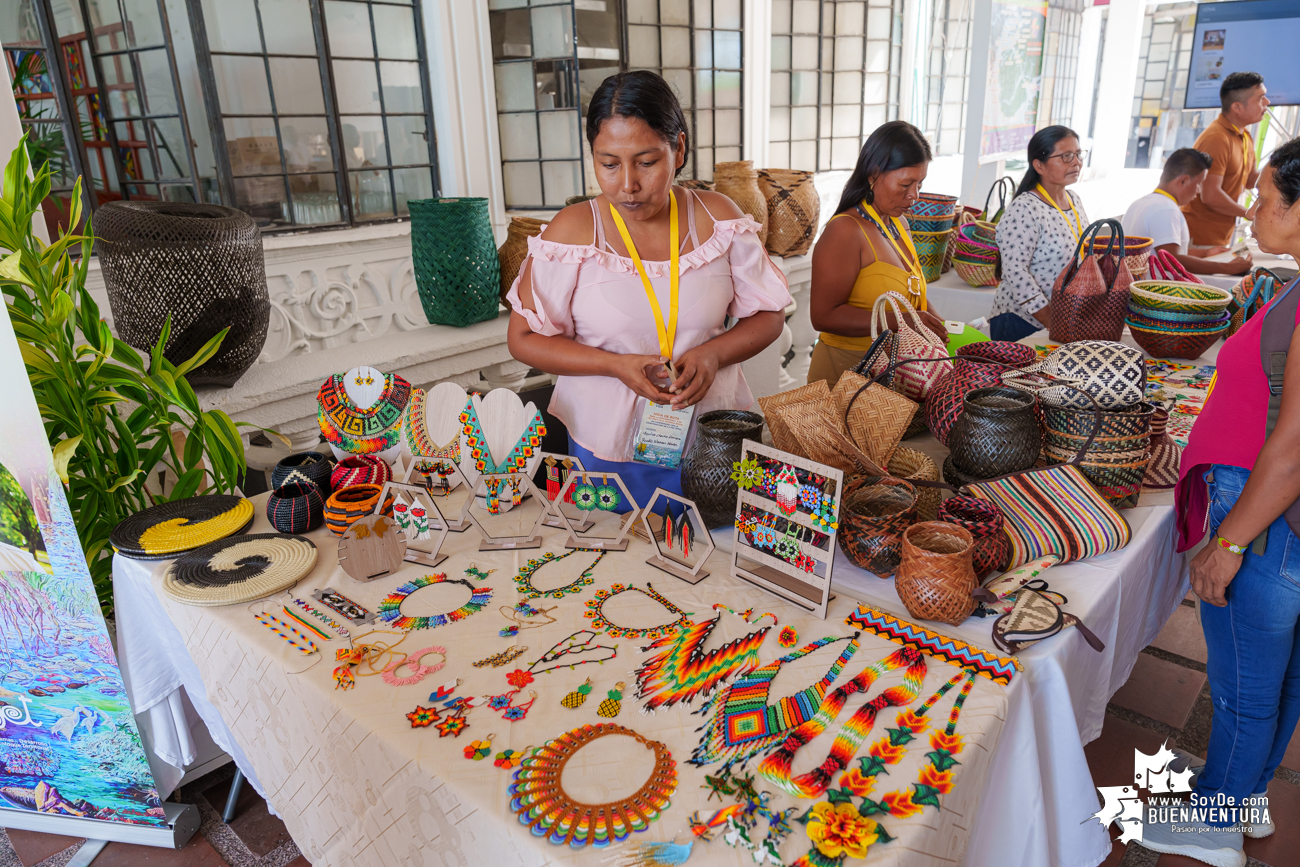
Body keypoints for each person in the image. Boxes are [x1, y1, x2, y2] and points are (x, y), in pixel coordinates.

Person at [505, 71, 790, 504]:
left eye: (646, 161)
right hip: (605, 446)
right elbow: (523, 339)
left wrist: (713, 354)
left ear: (678, 149)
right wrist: (614, 365)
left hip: (710, 444)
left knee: (710, 557)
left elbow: (769, 314)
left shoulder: (719, 218)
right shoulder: (573, 232)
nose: (628, 185)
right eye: (609, 163)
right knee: (612, 564)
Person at [1161, 136, 1300, 867]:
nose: (1253, 207)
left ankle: (1213, 826)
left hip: (1269, 516)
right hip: (1275, 514)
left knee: (1246, 684)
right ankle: (1237, 801)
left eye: (1269, 197)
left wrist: (1233, 540)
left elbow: (1295, 444)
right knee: (1281, 679)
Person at [807, 121, 945, 387]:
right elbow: (823, 316)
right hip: (845, 372)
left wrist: (935, 324)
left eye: (920, 184)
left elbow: (911, 292)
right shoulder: (845, 231)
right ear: (873, 173)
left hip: (892, 373)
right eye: (905, 184)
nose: (914, 195)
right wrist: (902, 322)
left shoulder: (899, 224)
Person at [989, 125, 1089, 342]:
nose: (1076, 162)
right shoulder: (1025, 207)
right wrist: (1049, 319)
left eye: (1078, 154)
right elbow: (1015, 272)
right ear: (1039, 166)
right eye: (1066, 156)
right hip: (1022, 320)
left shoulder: (1074, 200)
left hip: (1061, 319)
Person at [1123, 147, 1253, 276]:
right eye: (1198, 183)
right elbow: (1169, 260)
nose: (1199, 190)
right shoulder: (1166, 208)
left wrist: (1206, 253)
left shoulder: (1141, 203)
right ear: (1183, 181)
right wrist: (1227, 268)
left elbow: (1162, 251)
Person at [1183, 71, 1269, 248]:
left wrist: (1281, 173)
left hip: (1220, 236)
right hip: (1198, 239)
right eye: (1260, 98)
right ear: (1237, 107)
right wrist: (1250, 213)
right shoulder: (1217, 139)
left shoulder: (1244, 135)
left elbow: (1251, 179)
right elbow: (1211, 196)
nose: (1267, 103)